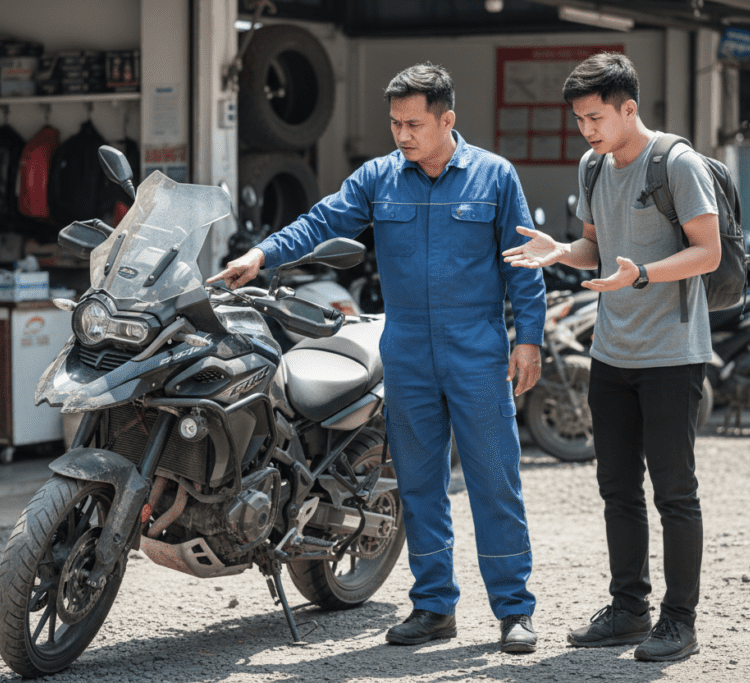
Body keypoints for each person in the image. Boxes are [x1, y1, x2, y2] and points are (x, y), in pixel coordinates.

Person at [209, 63, 546, 653]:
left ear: (448, 119)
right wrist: (262, 255)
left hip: (476, 349)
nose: (403, 135)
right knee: (417, 484)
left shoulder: (494, 177)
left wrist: (529, 340)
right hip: (408, 351)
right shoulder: (379, 178)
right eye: (395, 123)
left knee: (496, 482)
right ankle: (434, 606)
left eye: (414, 123)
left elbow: (524, 264)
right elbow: (322, 220)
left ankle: (514, 611)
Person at [503, 52, 719, 662]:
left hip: (673, 354)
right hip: (612, 351)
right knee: (616, 487)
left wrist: (643, 275)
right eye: (579, 120)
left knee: (674, 490)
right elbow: (596, 249)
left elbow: (707, 253)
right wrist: (558, 250)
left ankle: (680, 621)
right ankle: (630, 610)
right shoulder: (593, 167)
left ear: (629, 108)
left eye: (596, 117)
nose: (587, 130)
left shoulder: (675, 163)